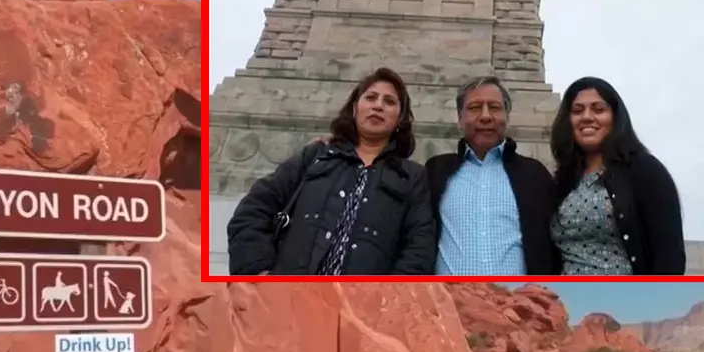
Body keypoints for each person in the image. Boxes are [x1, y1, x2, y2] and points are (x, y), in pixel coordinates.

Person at [227, 67, 436, 276]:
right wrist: (258, 272)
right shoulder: (316, 156)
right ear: (355, 108)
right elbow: (253, 209)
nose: (378, 106)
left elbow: (419, 248)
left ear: (400, 119)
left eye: (389, 101)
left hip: (360, 304)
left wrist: (389, 300)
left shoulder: (412, 177)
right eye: (371, 97)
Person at [549, 77, 685, 275]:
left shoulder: (645, 170)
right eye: (577, 110)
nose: (587, 117)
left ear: (615, 117)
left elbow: (669, 254)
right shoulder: (563, 181)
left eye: (598, 109)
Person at [425, 76, 559, 276]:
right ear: (459, 119)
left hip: (515, 300)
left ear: (507, 117)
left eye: (495, 107)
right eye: (475, 107)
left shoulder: (535, 175)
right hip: (450, 300)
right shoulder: (435, 171)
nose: (486, 116)